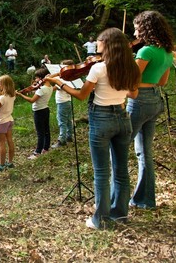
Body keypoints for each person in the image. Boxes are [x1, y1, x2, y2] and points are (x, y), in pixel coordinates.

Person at [46, 27, 140, 229]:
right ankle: (120, 214)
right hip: (123, 118)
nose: (97, 46)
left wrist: (59, 83)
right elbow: (133, 94)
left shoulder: (99, 68)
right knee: (121, 170)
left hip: (101, 118)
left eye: (99, 42)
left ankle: (100, 220)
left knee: (101, 171)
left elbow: (80, 95)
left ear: (106, 44)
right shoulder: (131, 66)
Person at [128, 11, 175, 210]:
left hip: (139, 101)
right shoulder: (167, 51)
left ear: (146, 28)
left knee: (119, 149)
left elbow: (131, 80)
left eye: (137, 27)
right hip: (155, 99)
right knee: (145, 153)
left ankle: (116, 201)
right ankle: (145, 200)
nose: (134, 31)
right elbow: (163, 81)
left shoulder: (145, 52)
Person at [16, 68, 53, 159]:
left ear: (41, 78)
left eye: (36, 78)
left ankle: (37, 152)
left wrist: (21, 95)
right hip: (45, 109)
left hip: (38, 111)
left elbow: (32, 100)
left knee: (40, 132)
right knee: (46, 131)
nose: (35, 80)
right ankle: (46, 148)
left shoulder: (41, 89)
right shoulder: (50, 87)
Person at [0, 75, 16, 171]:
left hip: (1, 122)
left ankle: (1, 165)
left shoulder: (2, 98)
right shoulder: (12, 95)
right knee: (9, 140)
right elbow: (4, 102)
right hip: (9, 119)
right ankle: (10, 162)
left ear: (3, 85)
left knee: (1, 143)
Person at [51, 60, 75, 148]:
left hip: (62, 102)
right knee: (68, 120)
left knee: (62, 121)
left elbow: (53, 86)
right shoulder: (71, 78)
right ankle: (69, 136)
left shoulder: (62, 79)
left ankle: (62, 140)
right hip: (68, 101)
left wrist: (57, 74)